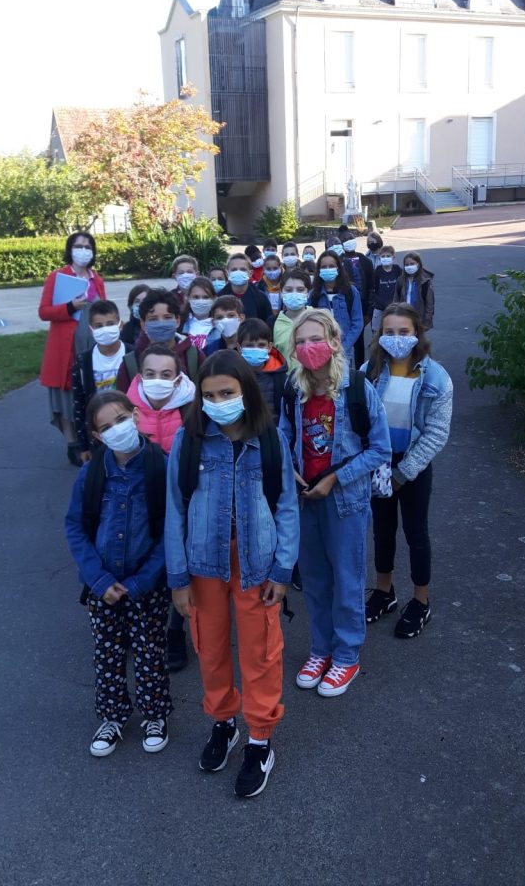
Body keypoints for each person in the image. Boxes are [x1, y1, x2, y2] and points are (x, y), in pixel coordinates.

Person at [165, 351, 299, 798]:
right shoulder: (188, 441)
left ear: (246, 392)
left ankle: (260, 738)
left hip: (256, 564)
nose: (218, 402)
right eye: (209, 396)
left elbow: (286, 506)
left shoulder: (271, 439)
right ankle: (224, 722)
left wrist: (282, 569)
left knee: (261, 652)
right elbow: (174, 511)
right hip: (203, 564)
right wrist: (178, 579)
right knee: (211, 648)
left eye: (227, 393)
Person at [279, 310, 391, 697]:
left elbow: (380, 448)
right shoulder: (293, 389)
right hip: (305, 500)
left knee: (347, 580)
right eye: (301, 341)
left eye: (316, 339)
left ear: (334, 341)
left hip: (345, 502)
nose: (308, 347)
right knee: (314, 580)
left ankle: (346, 655)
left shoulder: (357, 388)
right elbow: (282, 437)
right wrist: (290, 471)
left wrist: (335, 478)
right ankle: (321, 649)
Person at [65, 390, 172, 757]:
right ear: (97, 436)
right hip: (103, 586)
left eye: (122, 420)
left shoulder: (161, 468)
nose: (117, 429)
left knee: (149, 652)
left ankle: (155, 714)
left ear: (136, 415)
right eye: (107, 427)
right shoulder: (92, 473)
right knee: (107, 654)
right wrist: (98, 579)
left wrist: (144, 580)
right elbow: (75, 527)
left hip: (147, 585)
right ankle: (113, 716)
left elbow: (172, 531)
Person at [362, 303, 452, 636]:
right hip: (379, 464)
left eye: (404, 332)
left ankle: (420, 601)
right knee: (382, 531)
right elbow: (358, 419)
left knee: (416, 534)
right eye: (389, 332)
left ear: (417, 334)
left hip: (413, 466)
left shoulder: (436, 377)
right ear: (379, 334)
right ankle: (384, 592)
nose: (396, 338)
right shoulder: (368, 371)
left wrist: (404, 473)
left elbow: (436, 433)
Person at [39, 232, 106, 467]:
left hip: (92, 345)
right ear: (70, 249)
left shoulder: (97, 279)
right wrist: (70, 306)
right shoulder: (58, 277)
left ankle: (92, 438)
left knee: (90, 389)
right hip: (65, 347)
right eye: (78, 246)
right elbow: (44, 312)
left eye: (88, 246)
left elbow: (104, 310)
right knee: (66, 393)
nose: (83, 250)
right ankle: (72, 443)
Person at [72, 300, 134, 459]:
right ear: (91, 329)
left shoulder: (133, 355)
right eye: (99, 326)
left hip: (130, 427)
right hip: (100, 433)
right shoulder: (83, 360)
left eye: (110, 324)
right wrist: (83, 445)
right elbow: (79, 403)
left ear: (120, 325)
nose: (105, 329)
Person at [116, 289, 203, 392]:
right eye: (153, 319)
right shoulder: (131, 363)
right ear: (143, 324)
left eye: (167, 317)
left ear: (177, 321)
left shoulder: (194, 356)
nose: (161, 323)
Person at [127, 345, 196, 454]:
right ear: (140, 378)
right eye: (150, 374)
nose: (157, 380)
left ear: (178, 381)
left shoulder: (191, 411)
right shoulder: (127, 412)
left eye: (165, 375)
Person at [308, 250, 363, 363]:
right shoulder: (314, 295)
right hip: (320, 351)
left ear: (338, 268)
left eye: (331, 266)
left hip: (344, 353)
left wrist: (343, 347)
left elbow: (357, 323)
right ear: (319, 270)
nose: (328, 269)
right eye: (324, 267)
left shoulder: (351, 292)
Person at [338, 225, 375, 369]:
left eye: (351, 238)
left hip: (362, 310)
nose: (349, 241)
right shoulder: (338, 262)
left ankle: (359, 371)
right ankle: (344, 369)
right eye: (345, 239)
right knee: (344, 341)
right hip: (345, 308)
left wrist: (369, 313)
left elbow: (372, 288)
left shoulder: (365, 261)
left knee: (359, 342)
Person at [237, 318, 288, 421]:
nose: (256, 349)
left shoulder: (281, 377)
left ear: (269, 347)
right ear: (239, 348)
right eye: (249, 346)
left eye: (261, 345)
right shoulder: (233, 375)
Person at [272, 268, 312, 368]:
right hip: (284, 376)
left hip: (313, 375)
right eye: (288, 290)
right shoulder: (272, 322)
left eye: (300, 290)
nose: (294, 294)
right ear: (281, 293)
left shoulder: (319, 318)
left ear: (308, 293)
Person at [220, 254, 272, 321]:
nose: (238, 272)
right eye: (234, 270)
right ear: (227, 273)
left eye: (243, 269)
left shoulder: (261, 298)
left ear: (250, 273)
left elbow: (268, 323)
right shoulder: (219, 298)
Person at [393, 252, 435, 330]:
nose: (409, 266)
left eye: (412, 264)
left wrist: (426, 322)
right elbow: (396, 300)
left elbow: (429, 304)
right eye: (407, 265)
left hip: (419, 319)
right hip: (403, 317)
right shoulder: (400, 280)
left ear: (418, 264)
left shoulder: (425, 282)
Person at [370, 246, 403, 332]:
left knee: (394, 330)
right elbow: (374, 289)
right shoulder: (378, 271)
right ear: (379, 258)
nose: (386, 258)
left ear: (393, 257)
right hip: (380, 307)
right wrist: (379, 302)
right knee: (376, 331)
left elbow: (401, 287)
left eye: (388, 256)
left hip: (395, 307)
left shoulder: (397, 270)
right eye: (383, 256)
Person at [181, 277, 216, 350]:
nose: (201, 301)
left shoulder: (219, 325)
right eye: (196, 297)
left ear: (214, 299)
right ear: (188, 298)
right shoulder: (180, 324)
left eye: (206, 297)